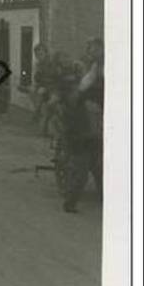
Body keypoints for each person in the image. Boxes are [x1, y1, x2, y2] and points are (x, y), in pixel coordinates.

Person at [61, 38, 104, 213]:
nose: (90, 52)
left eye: (93, 49)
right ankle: (70, 203)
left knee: (98, 170)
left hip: (92, 136)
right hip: (83, 137)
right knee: (83, 172)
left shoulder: (94, 74)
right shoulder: (77, 96)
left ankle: (104, 198)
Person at [32, 43, 58, 135]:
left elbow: (55, 77)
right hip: (45, 88)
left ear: (46, 53)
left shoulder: (52, 63)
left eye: (41, 54)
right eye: (37, 55)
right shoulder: (39, 65)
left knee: (50, 104)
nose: (39, 56)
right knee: (36, 94)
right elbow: (38, 79)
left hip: (54, 88)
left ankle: (38, 114)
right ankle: (38, 112)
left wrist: (45, 85)